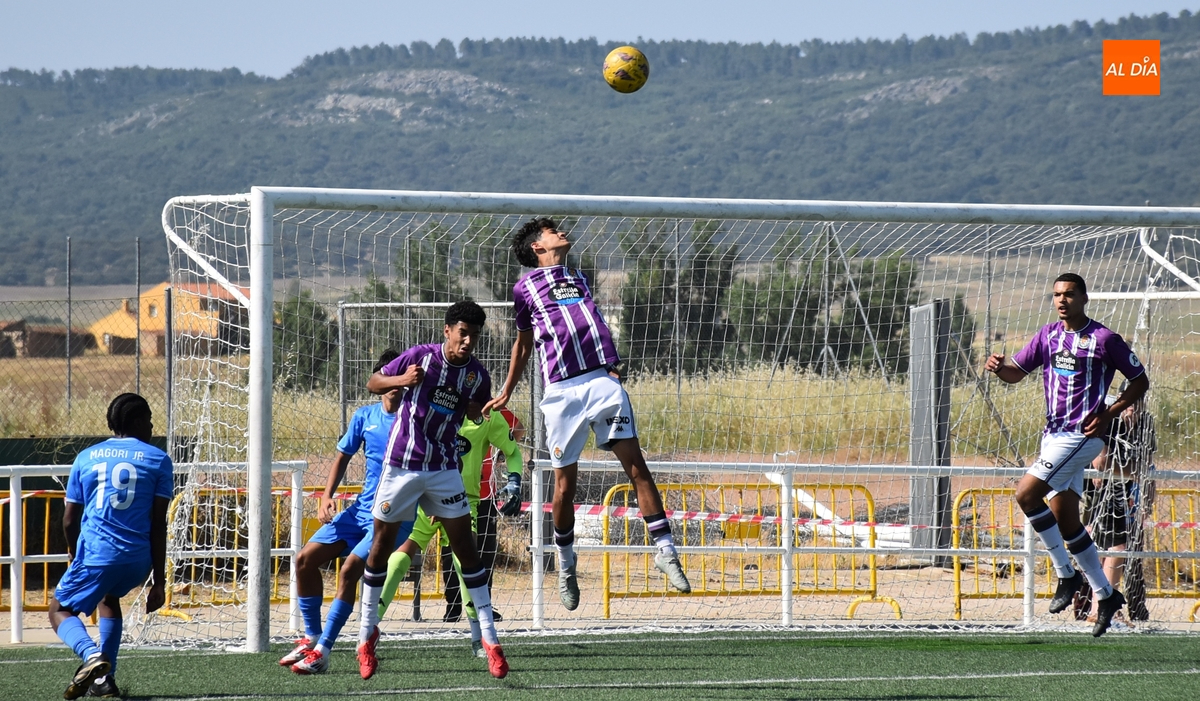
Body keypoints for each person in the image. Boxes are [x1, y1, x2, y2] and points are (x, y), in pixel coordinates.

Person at [485, 217, 691, 613]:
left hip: (600, 383)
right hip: (561, 393)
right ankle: (566, 564)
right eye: (553, 232)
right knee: (564, 487)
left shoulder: (578, 277)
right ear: (537, 247)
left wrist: (611, 367)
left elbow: (590, 326)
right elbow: (523, 344)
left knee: (637, 467)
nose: (561, 233)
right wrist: (507, 389)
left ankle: (665, 550)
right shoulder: (524, 288)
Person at [326, 300, 508, 680]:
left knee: (466, 549)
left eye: (474, 336)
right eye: (463, 333)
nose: (468, 341)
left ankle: (490, 640)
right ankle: (365, 637)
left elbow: (476, 409)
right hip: (403, 466)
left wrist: (477, 410)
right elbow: (373, 382)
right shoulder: (420, 357)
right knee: (381, 547)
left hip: (443, 469)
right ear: (448, 331)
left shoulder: (477, 375)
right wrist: (401, 380)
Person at [985, 272, 1149, 637]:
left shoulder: (1104, 339)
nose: (1062, 300)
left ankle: (1066, 574)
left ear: (1084, 298)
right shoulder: (1047, 335)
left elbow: (1140, 381)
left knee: (1026, 495)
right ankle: (1105, 595)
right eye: (1057, 294)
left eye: (1070, 294)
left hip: (1082, 435)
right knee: (1067, 522)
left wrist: (1109, 413)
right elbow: (1016, 373)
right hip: (1053, 436)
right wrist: (998, 368)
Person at [280, 350, 414, 677]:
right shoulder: (364, 417)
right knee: (304, 560)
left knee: (350, 569)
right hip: (359, 512)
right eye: (389, 378)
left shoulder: (414, 421)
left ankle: (323, 652)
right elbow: (342, 456)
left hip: (393, 517)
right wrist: (327, 496)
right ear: (380, 382)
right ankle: (312, 637)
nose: (396, 386)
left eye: (401, 379)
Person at [49, 393, 172, 699]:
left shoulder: (86, 457)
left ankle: (91, 655)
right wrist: (158, 581)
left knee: (58, 610)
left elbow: (69, 520)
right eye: (149, 420)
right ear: (137, 422)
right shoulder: (159, 459)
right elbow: (159, 524)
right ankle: (104, 680)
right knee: (109, 597)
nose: (152, 427)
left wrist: (74, 553)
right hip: (138, 561)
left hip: (97, 556)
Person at [377, 401, 524, 657]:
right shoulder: (432, 407)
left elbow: (513, 451)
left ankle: (479, 638)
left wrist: (514, 481)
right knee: (403, 551)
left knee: (465, 560)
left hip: (466, 502)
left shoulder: (488, 415)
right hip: (426, 496)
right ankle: (369, 627)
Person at [1075, 390, 1156, 623]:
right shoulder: (1110, 419)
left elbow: (1147, 465)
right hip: (1096, 492)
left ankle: (1108, 607)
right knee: (1112, 547)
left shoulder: (1145, 425)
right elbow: (1101, 464)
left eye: (1137, 405)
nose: (1132, 410)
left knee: (1123, 550)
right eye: (1128, 405)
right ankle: (1100, 608)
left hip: (1124, 492)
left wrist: (1147, 495)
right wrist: (1133, 471)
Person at [442, 406, 526, 621]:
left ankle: (483, 603)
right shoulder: (449, 405)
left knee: (485, 549)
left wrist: (498, 456)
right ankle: (453, 606)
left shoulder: (492, 407)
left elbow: (518, 429)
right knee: (451, 546)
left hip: (484, 492)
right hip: (449, 490)